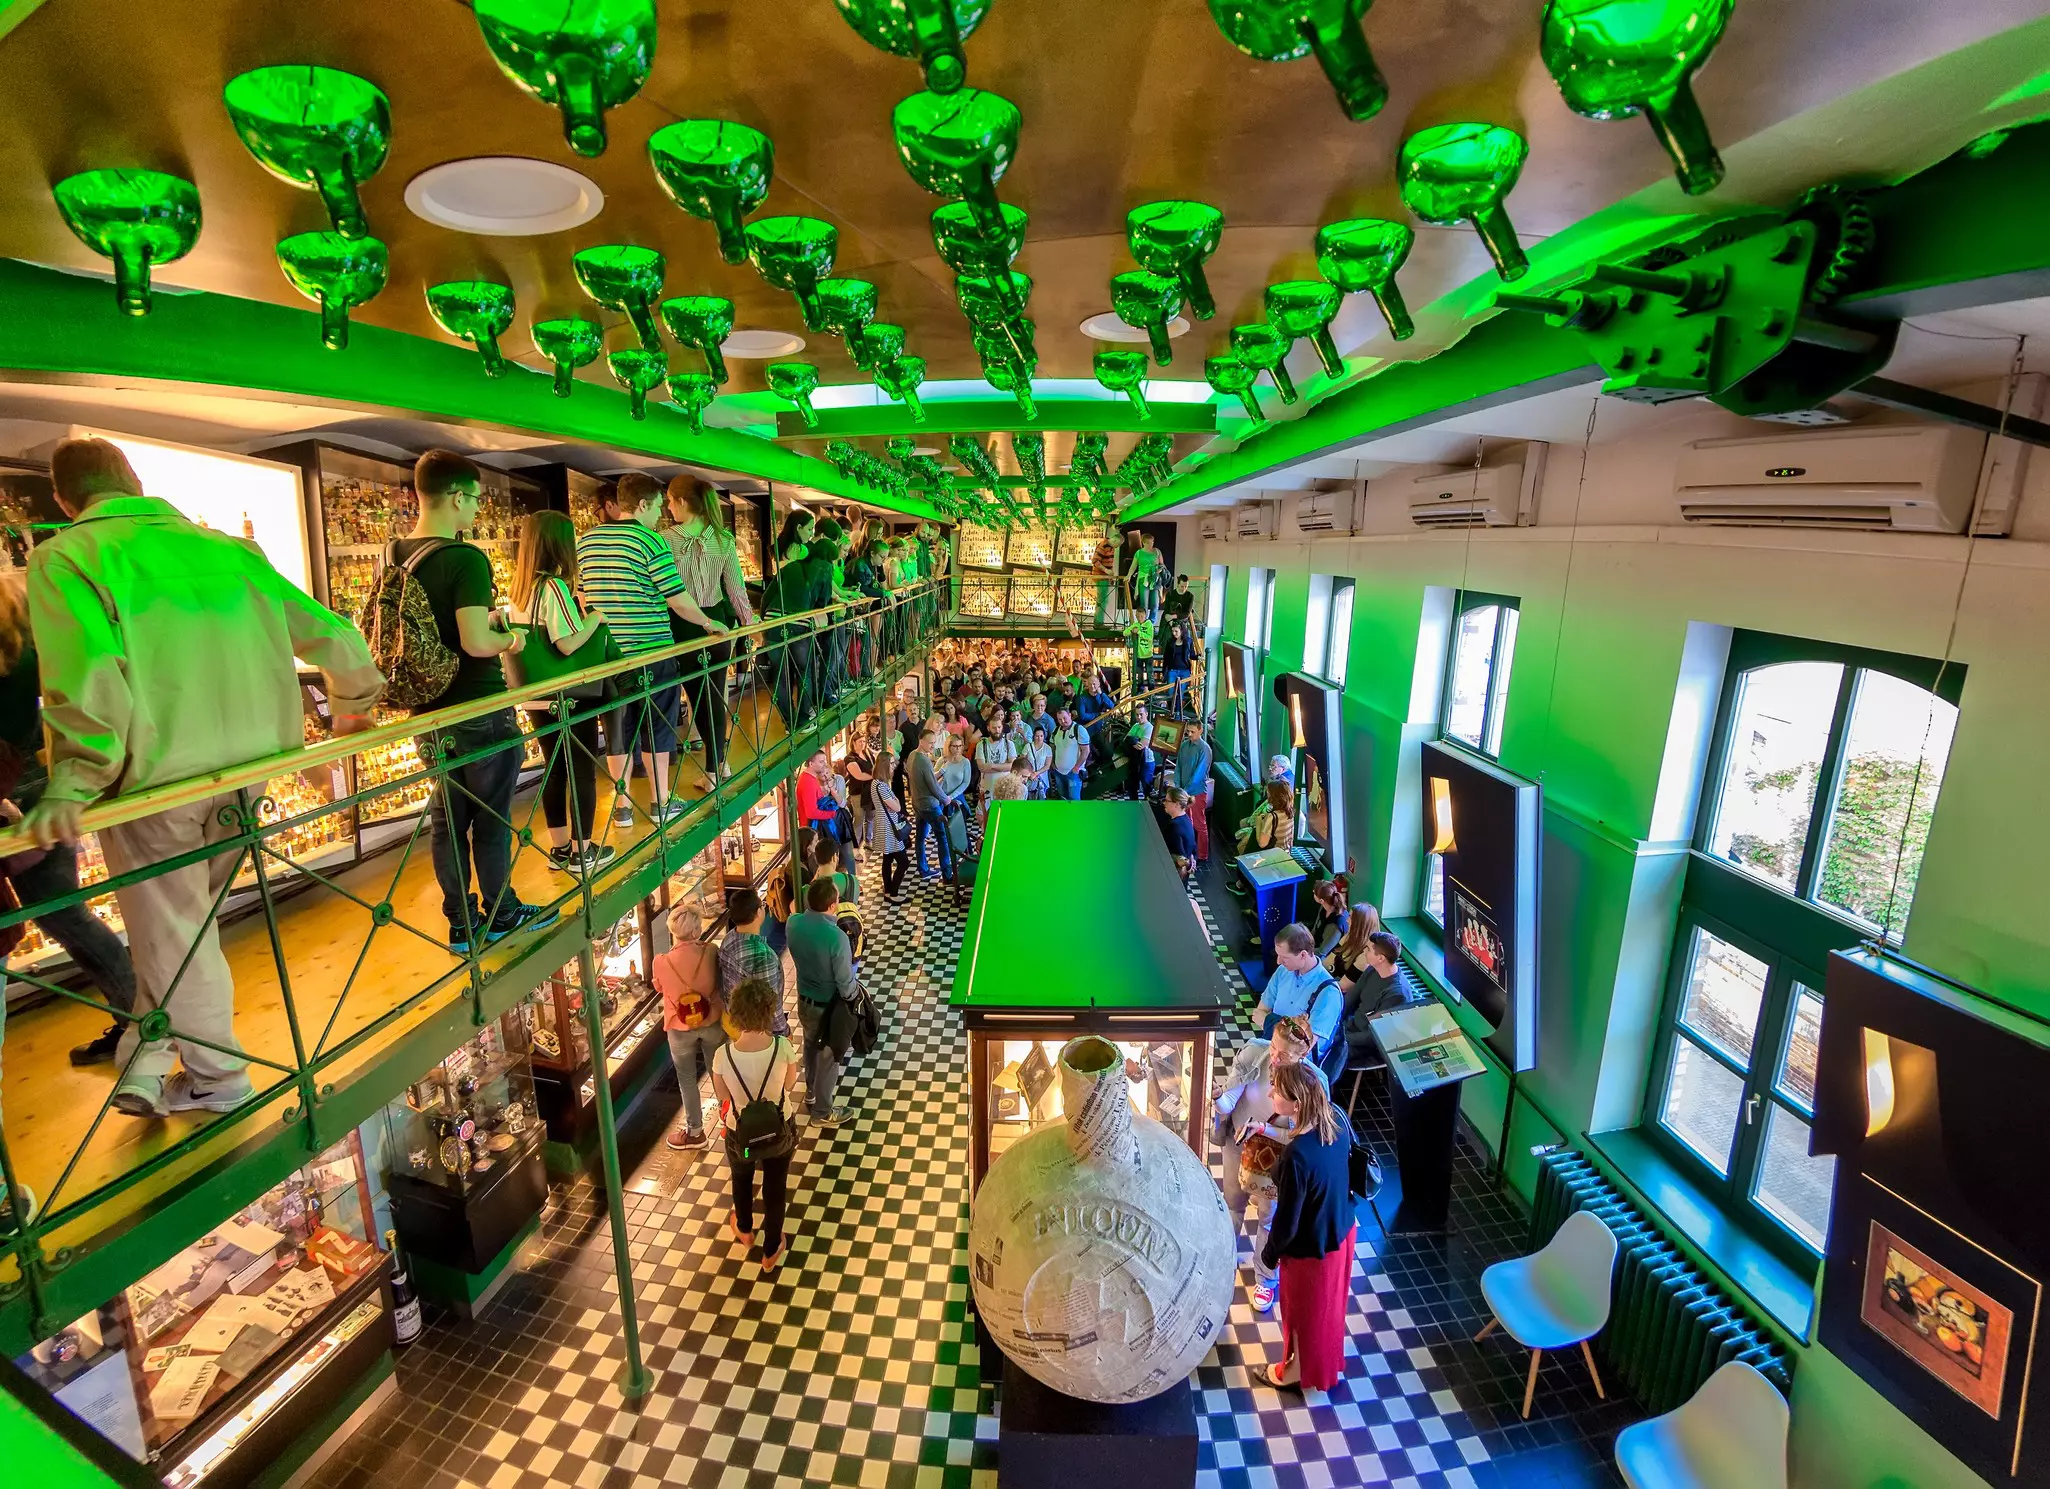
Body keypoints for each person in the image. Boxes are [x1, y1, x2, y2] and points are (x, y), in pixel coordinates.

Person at [24, 437, 386, 1118]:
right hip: (254, 772)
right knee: (184, 931)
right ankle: (146, 1051)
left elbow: (88, 678)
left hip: (158, 781)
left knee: (175, 932)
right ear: (133, 480)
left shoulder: (68, 555)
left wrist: (74, 780)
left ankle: (218, 1080)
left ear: (66, 501)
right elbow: (332, 632)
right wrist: (353, 704)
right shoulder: (228, 550)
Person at [388, 451, 561, 953]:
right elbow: (473, 640)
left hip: (430, 710)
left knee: (447, 818)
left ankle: (461, 923)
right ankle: (501, 912)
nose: (476, 509)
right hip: (479, 707)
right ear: (459, 495)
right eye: (476, 499)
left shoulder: (395, 553)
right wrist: (509, 640)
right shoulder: (465, 558)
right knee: (491, 818)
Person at [0, 572, 138, 1066]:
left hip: (16, 786)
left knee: (60, 911)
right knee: (62, 910)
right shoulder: (28, 627)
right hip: (39, 774)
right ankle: (141, 1022)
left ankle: (141, 1024)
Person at [579, 472, 726, 827]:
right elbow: (677, 600)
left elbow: (583, 598)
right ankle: (661, 802)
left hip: (610, 657)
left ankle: (623, 807)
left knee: (619, 730)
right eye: (658, 505)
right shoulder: (649, 542)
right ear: (642, 504)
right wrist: (709, 623)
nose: (660, 513)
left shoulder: (587, 541)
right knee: (657, 726)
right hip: (652, 653)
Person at [508, 510, 616, 874]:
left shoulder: (518, 588)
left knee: (554, 769)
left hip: (535, 695)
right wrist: (595, 618)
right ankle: (584, 851)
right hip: (568, 694)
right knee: (581, 769)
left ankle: (558, 849)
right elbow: (568, 643)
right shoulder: (551, 587)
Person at [1257, 1061, 1358, 1393]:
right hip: (1341, 1232)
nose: (1270, 1093)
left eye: (1277, 1091)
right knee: (1329, 1309)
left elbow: (1287, 1221)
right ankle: (1324, 1365)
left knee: (1303, 1315)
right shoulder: (1336, 1120)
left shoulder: (1298, 1155)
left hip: (1311, 1248)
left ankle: (1296, 1371)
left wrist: (1268, 1256)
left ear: (1296, 1103)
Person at [1213, 1015, 1325, 1313]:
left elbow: (1306, 1136)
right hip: (1239, 1141)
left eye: (1284, 1055)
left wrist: (1264, 1130)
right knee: (1232, 1203)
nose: (1274, 1058)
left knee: (1268, 1216)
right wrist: (1216, 1096)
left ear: (1303, 1054)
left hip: (1278, 1155)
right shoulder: (1255, 1053)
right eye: (1274, 1048)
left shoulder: (1312, 1083)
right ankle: (1223, 1259)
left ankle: (1265, 1277)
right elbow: (1230, 1096)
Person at [663, 476, 754, 783]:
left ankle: (714, 771)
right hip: (718, 624)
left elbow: (664, 593)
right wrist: (751, 626)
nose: (668, 506)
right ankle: (719, 765)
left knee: (695, 696)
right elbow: (737, 591)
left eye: (670, 501)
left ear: (683, 502)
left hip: (684, 624)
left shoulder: (664, 539)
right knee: (715, 696)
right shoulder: (724, 539)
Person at [709, 976, 799, 1272]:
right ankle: (772, 1248)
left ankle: (745, 1228)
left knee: (742, 1177)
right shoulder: (783, 1047)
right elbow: (789, 1084)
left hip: (742, 1139)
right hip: (778, 1133)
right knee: (776, 1186)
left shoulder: (723, 1056)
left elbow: (723, 1097)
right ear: (769, 1012)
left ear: (735, 1014)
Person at [656, 904, 726, 1150]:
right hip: (712, 1020)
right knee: (718, 1073)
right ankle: (731, 1122)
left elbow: (658, 987)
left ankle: (695, 1132)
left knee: (686, 1078)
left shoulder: (661, 961)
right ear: (697, 929)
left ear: (673, 931)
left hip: (679, 1026)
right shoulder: (711, 952)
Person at [788, 878, 855, 1127]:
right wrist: (855, 999)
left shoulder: (793, 924)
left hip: (804, 1002)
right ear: (831, 905)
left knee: (809, 1045)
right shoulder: (836, 937)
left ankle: (810, 1091)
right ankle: (822, 1113)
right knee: (829, 1058)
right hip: (828, 1008)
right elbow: (845, 982)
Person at [1252, 924, 1345, 1076]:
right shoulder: (1283, 971)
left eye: (1284, 957)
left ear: (1303, 955)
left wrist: (1268, 1022)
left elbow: (1303, 1047)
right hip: (1273, 1056)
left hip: (1301, 1072)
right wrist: (1285, 1029)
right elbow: (1258, 1013)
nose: (1278, 962)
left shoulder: (1328, 993)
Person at [716, 885, 788, 1037]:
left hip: (732, 1020)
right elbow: (770, 1002)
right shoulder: (762, 956)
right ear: (758, 912)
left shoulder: (729, 938)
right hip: (757, 1030)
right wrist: (783, 1031)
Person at [1341, 930, 1415, 1066]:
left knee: (1323, 1053)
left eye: (1368, 949)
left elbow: (1375, 1036)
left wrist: (1341, 1038)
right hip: (1352, 1027)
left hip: (1367, 1045)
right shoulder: (1372, 970)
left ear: (1380, 958)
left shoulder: (1397, 994)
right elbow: (1351, 998)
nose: (1364, 952)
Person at [908, 724, 952, 881]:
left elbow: (921, 778)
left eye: (934, 742)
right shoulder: (923, 759)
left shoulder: (912, 755)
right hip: (929, 804)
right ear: (921, 741)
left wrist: (938, 773)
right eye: (930, 742)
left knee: (920, 837)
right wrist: (945, 799)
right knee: (943, 837)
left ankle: (923, 869)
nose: (932, 745)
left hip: (917, 803)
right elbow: (932, 786)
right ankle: (947, 874)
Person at [871, 750, 911, 902]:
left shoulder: (876, 783)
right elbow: (897, 807)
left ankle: (888, 890)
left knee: (887, 858)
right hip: (888, 827)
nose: (894, 766)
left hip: (884, 824)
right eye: (892, 763)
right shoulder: (881, 786)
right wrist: (896, 800)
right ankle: (893, 893)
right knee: (903, 862)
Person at [1175, 722, 1214, 862]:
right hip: (1184, 791)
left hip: (1197, 792)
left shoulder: (1205, 749)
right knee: (1186, 822)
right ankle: (1188, 851)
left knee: (1199, 824)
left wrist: (1184, 791)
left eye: (1192, 732)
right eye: (1188, 732)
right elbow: (1178, 766)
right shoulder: (1184, 746)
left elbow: (1199, 775)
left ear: (1200, 730)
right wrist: (1179, 787)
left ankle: (1203, 855)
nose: (1189, 734)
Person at [1323, 899, 1383, 987]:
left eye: (1350, 917)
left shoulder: (1366, 953)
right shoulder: (1350, 935)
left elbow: (1344, 986)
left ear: (1360, 924)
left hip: (1338, 990)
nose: (1347, 920)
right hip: (1331, 979)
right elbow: (1328, 961)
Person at [1236, 780, 1296, 855]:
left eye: (1268, 792)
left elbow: (1262, 844)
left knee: (1242, 845)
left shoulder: (1272, 817)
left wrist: (1258, 823)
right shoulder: (1290, 811)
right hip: (1285, 851)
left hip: (1273, 854)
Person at [844, 724, 878, 851]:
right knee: (859, 818)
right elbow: (859, 775)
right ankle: (855, 846)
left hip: (870, 791)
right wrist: (875, 776)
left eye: (864, 741)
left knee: (871, 816)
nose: (862, 744)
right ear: (853, 742)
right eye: (860, 742)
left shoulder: (867, 752)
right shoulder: (850, 758)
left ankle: (869, 840)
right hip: (858, 792)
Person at [795, 749, 838, 839]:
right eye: (821, 762)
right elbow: (811, 813)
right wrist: (832, 814)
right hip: (812, 831)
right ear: (811, 764)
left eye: (825, 761)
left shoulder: (810, 778)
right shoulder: (808, 781)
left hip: (815, 829)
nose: (825, 764)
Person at [1049, 707, 1090, 800]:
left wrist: (1077, 767)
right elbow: (1052, 748)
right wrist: (1052, 763)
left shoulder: (1079, 730)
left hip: (1073, 773)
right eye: (1059, 719)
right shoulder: (1055, 731)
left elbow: (1086, 751)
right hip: (1058, 771)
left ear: (1070, 715)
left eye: (1064, 718)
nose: (1063, 721)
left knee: (1074, 799)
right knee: (1063, 798)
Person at [1126, 530, 1164, 624]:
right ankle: (1143, 623)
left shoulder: (1157, 551)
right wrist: (1128, 575)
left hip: (1155, 579)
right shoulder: (1139, 553)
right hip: (1143, 579)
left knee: (1155, 604)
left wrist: (1160, 569)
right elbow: (1133, 566)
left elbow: (1162, 564)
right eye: (1148, 542)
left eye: (1152, 542)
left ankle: (1151, 624)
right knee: (1144, 604)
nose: (1150, 544)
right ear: (1143, 542)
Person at [1160, 787, 1197, 881]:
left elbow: (1176, 855)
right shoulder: (1186, 819)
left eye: (1167, 801)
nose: (1164, 803)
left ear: (1176, 804)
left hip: (1174, 878)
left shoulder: (1174, 826)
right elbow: (1193, 847)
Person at [1162, 616, 1194, 716]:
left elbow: (1192, 655)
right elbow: (1166, 658)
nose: (1174, 633)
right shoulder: (1170, 642)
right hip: (1172, 670)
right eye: (1173, 631)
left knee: (1180, 693)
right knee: (1171, 693)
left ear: (1181, 630)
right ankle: (1172, 712)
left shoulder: (1188, 641)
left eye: (1176, 631)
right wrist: (1164, 672)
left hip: (1184, 671)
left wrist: (1198, 657)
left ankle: (1178, 713)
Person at [983, 756, 1031, 823]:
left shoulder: (1024, 789)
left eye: (1028, 777)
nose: (1026, 780)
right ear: (1014, 772)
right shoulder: (1000, 785)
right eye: (1024, 776)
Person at [1127, 701, 1156, 800]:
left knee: (1146, 788)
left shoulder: (1149, 728)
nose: (1139, 717)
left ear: (1146, 714)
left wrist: (1133, 741)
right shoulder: (1135, 726)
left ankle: (1148, 812)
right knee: (1132, 787)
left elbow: (1141, 746)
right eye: (1137, 715)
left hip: (1146, 761)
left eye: (1141, 714)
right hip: (1136, 760)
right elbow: (1126, 739)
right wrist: (1134, 741)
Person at [1022, 725, 1052, 800]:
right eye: (1037, 736)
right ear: (1034, 736)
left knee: (1041, 799)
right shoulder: (1028, 746)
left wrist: (1036, 773)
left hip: (1042, 778)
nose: (1039, 738)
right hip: (1029, 777)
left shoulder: (1047, 748)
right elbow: (1023, 761)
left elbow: (1047, 765)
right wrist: (1030, 774)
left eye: (1041, 736)